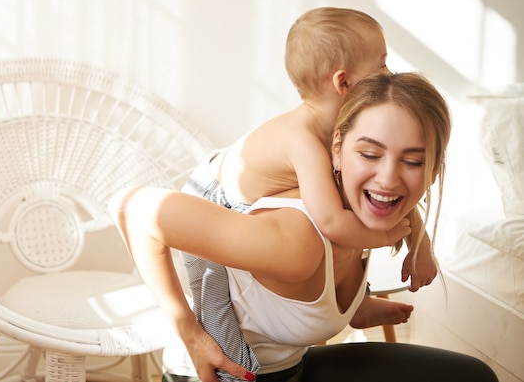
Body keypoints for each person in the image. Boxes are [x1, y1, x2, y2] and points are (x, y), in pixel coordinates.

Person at [110, 72, 498, 382]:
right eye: (369, 154)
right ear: (337, 150)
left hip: (292, 368)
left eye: (413, 161)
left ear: (432, 171)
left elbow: (305, 306)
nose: (388, 179)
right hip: (226, 375)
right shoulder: (297, 241)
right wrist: (190, 334)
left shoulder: (367, 217)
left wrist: (364, 306)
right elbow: (133, 210)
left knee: (471, 376)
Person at [179, 7, 435, 380]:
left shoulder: (340, 130)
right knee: (217, 317)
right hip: (207, 203)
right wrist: (395, 234)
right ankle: (229, 372)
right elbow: (332, 222)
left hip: (237, 195)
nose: (389, 75)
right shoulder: (304, 139)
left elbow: (377, 198)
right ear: (344, 82)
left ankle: (353, 304)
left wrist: (420, 241)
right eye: (381, 66)